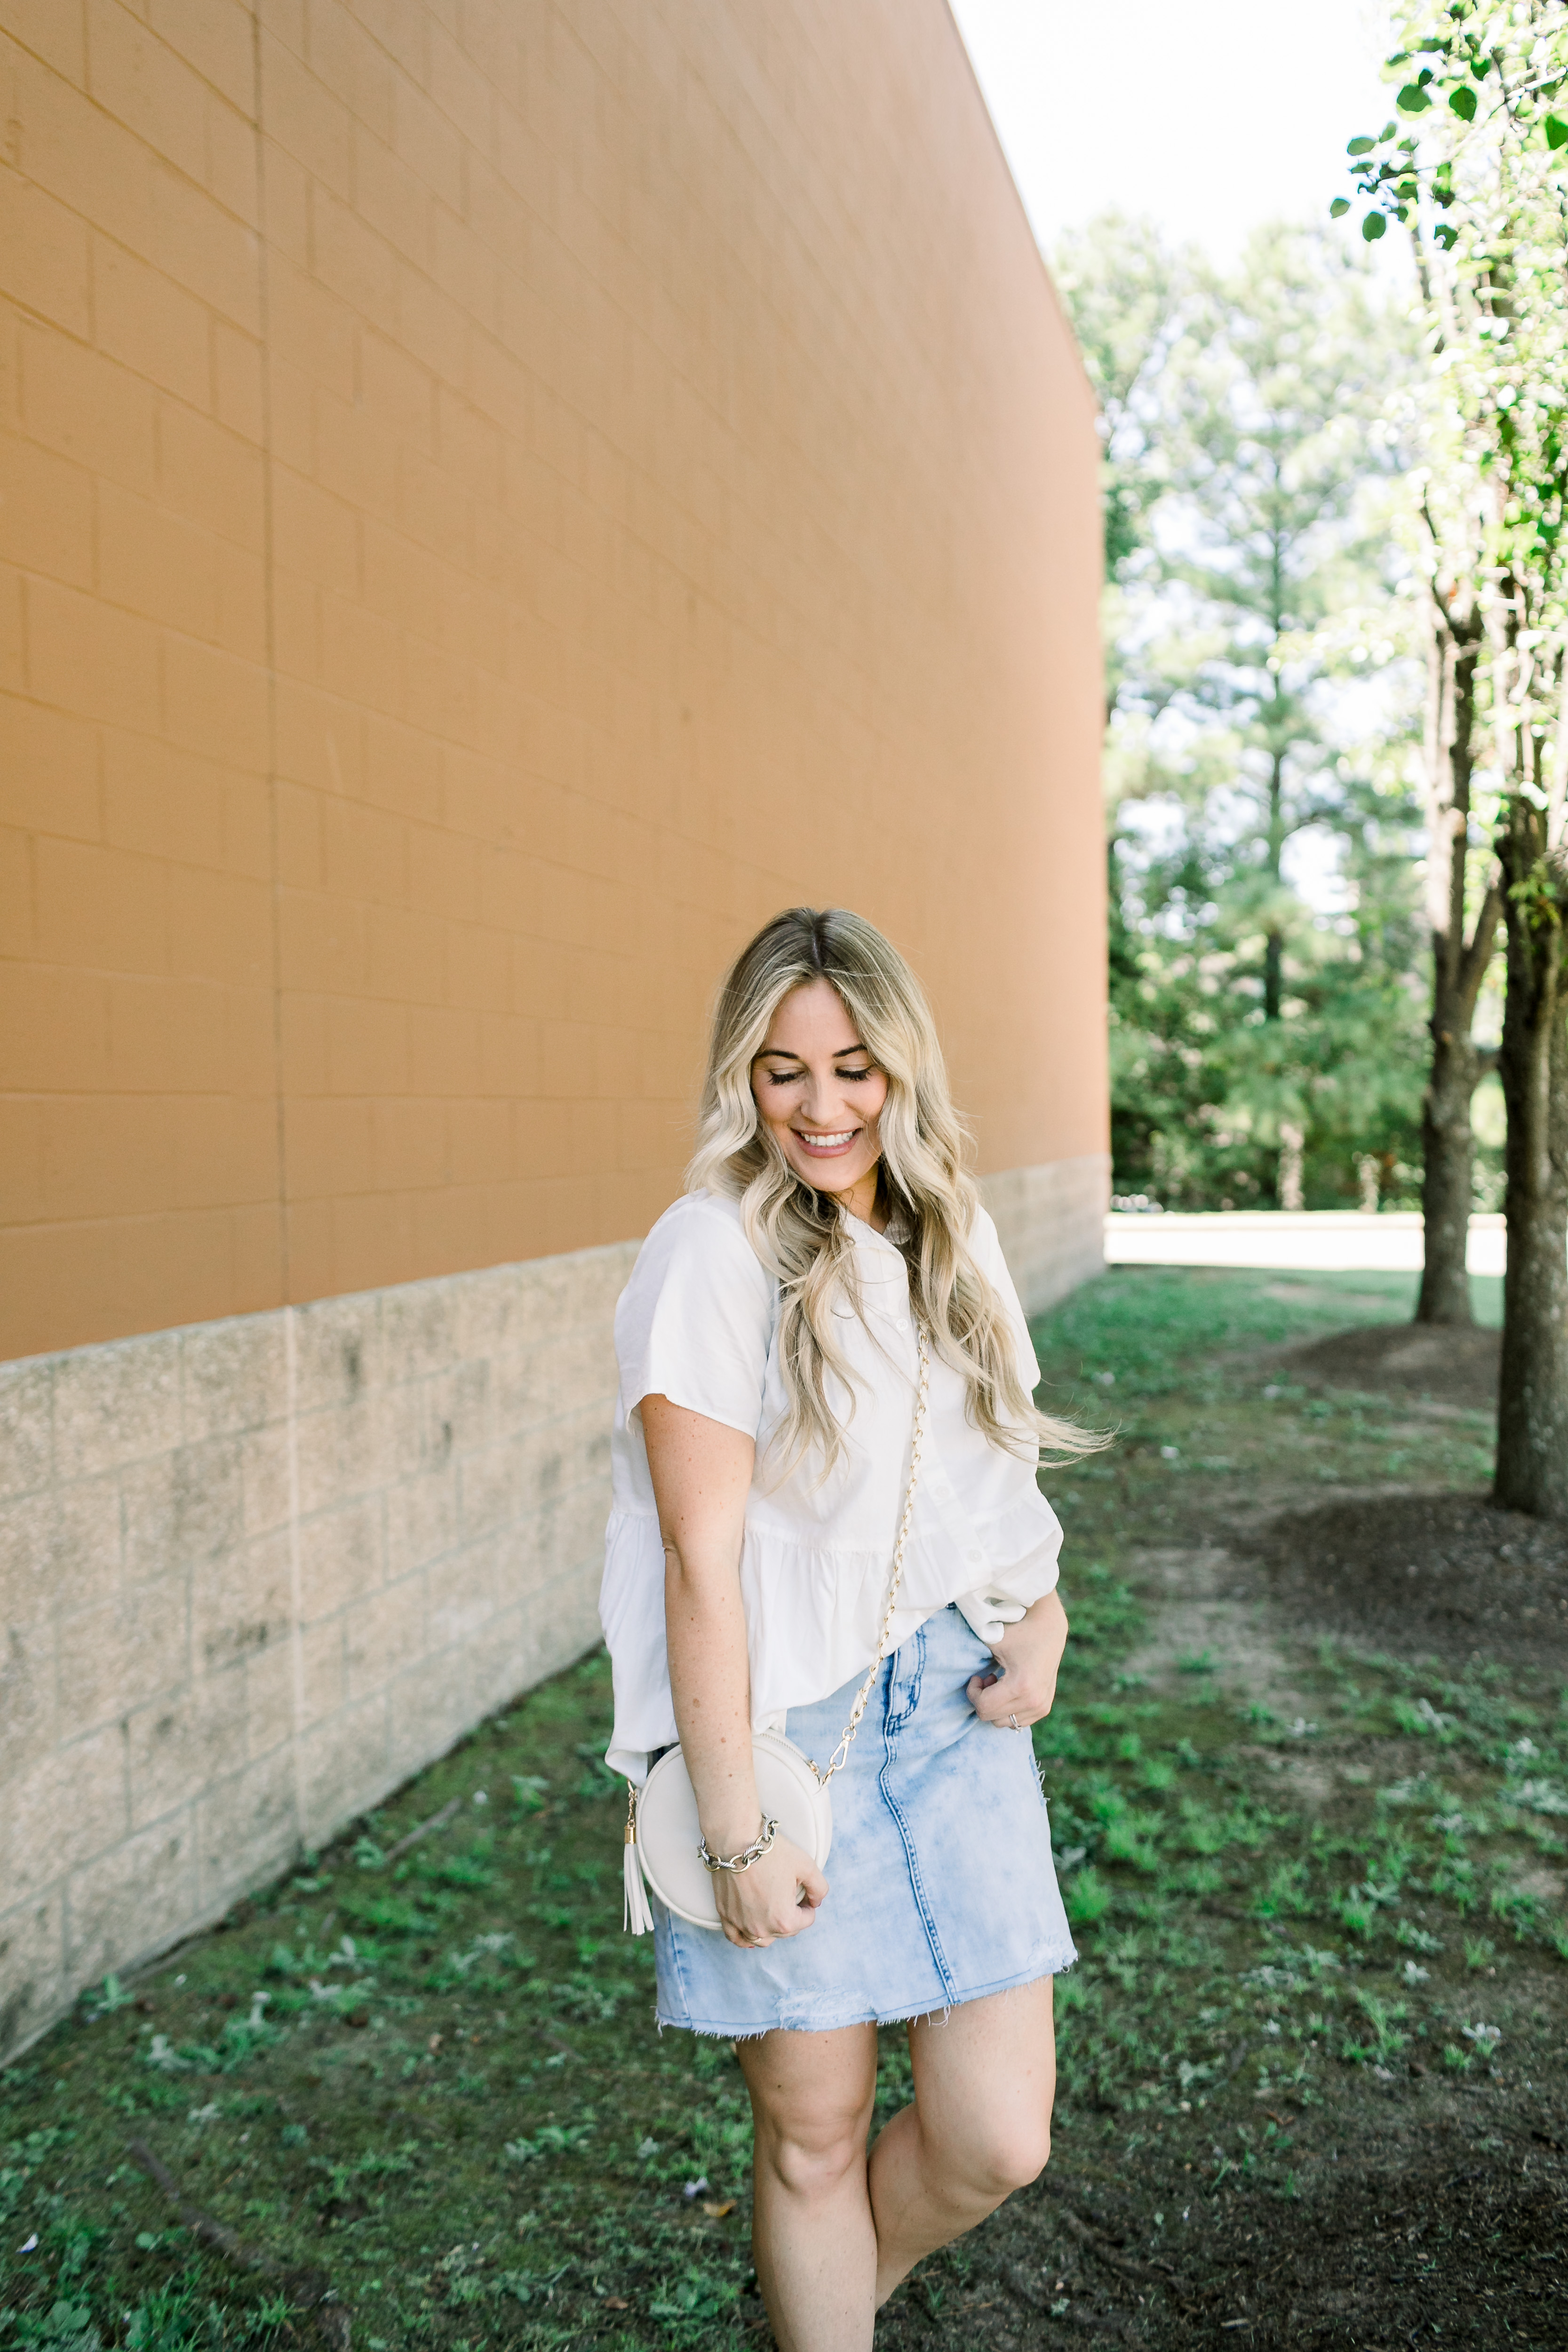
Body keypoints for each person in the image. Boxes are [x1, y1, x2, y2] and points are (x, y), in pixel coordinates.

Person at [598, 907, 1094, 2352]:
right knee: (814, 2141)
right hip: (781, 1735)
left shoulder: (951, 1228)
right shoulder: (708, 1254)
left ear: (904, 1067)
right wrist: (736, 1834)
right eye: (782, 1071)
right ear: (740, 1080)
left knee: (998, 2140)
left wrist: (1043, 1612)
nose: (822, 1106)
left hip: (952, 1707)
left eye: (855, 1067)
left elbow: (991, 1474)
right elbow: (700, 1561)